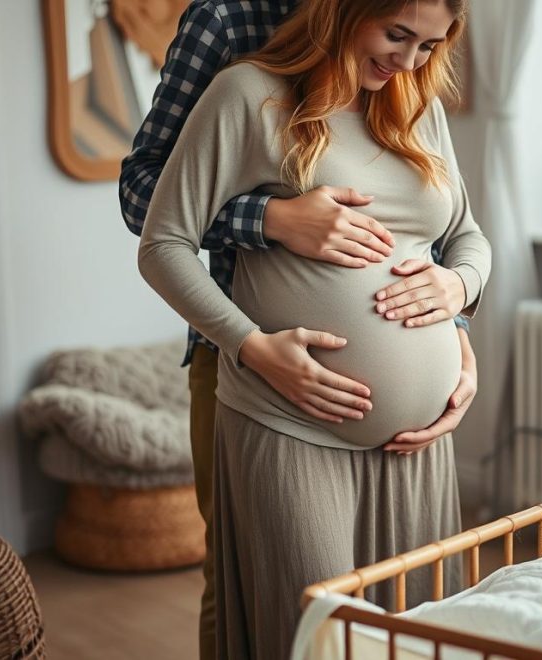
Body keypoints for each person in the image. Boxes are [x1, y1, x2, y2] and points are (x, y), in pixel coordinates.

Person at [119, 2, 481, 659]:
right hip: (282, 403)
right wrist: (273, 225)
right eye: (397, 35)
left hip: (417, 443)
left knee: (416, 632)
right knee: (290, 627)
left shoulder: (410, 94)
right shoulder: (236, 52)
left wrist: (457, 307)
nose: (409, 59)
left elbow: (458, 238)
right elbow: (154, 216)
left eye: (429, 45)